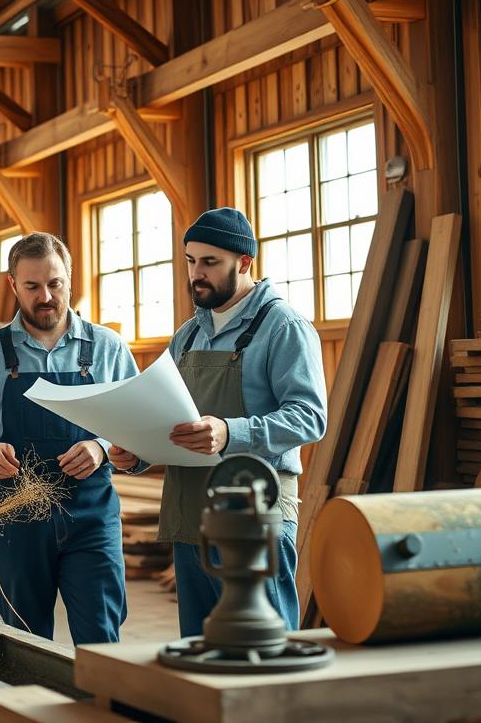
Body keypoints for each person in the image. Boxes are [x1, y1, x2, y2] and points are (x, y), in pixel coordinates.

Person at [109, 207, 327, 637]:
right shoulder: (187, 336)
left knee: (266, 644)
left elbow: (310, 417)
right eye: (191, 261)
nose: (197, 273)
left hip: (254, 514)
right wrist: (133, 453)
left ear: (244, 263)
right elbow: (161, 418)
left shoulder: (283, 326)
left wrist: (230, 432)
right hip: (192, 514)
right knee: (200, 647)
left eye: (210, 262)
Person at [0, 232, 141, 644]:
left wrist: (101, 448)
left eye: (55, 284)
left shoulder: (108, 349)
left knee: (101, 636)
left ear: (70, 279)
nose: (46, 296)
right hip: (17, 516)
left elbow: (139, 429)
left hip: (91, 514)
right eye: (32, 286)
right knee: (25, 641)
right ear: (14, 285)